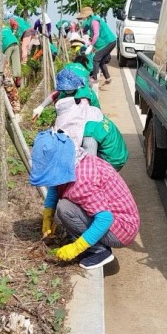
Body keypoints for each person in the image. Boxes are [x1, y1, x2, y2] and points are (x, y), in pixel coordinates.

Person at [30, 130, 140, 269]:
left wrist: (77, 247)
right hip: (115, 219)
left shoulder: (82, 181)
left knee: (65, 209)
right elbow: (55, 185)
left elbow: (105, 218)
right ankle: (96, 245)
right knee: (63, 208)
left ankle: (100, 252)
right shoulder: (75, 161)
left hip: (122, 229)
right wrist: (48, 213)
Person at [53, 98, 129, 171]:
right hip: (119, 150)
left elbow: (90, 162)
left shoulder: (89, 133)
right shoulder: (92, 112)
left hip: (113, 160)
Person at [31, 68, 100, 120]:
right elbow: (53, 95)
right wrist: (41, 107)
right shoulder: (63, 91)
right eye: (64, 88)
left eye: (68, 88)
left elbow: (82, 116)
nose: (66, 90)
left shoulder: (83, 97)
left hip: (89, 118)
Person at [78, 6, 116, 87]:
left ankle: (95, 78)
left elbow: (96, 34)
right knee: (101, 60)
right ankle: (108, 78)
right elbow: (85, 29)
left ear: (86, 16)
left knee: (96, 59)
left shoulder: (94, 21)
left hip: (108, 42)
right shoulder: (89, 21)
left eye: (83, 18)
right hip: (109, 42)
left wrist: (91, 46)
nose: (82, 19)